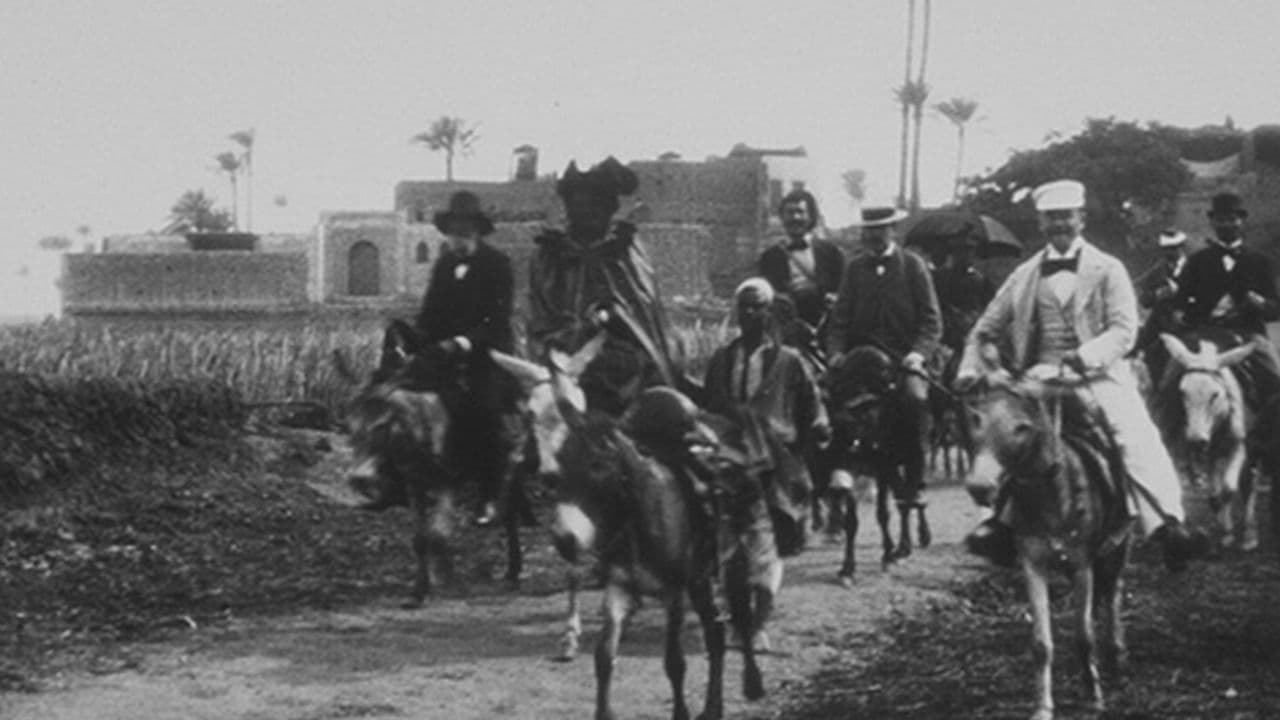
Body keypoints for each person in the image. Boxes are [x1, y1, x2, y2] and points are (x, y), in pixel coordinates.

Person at [956, 179, 1209, 572]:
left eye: (1066, 217)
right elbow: (985, 328)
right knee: (1004, 433)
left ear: (1081, 219)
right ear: (1040, 224)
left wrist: (1085, 356)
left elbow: (1125, 330)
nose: (1059, 225)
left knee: (1133, 435)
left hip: (1099, 374)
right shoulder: (1024, 275)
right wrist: (971, 369)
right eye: (1051, 218)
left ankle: (1166, 523)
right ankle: (997, 526)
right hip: (1040, 375)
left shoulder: (1108, 268)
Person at [528, 156, 682, 414]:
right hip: (564, 373)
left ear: (609, 208)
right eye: (578, 205)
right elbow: (539, 317)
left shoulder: (625, 253)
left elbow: (644, 318)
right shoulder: (549, 257)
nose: (586, 213)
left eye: (594, 205)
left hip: (625, 376)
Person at [413, 190, 524, 526]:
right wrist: (417, 338)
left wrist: (464, 342)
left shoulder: (497, 265)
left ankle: (489, 496)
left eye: (465, 233)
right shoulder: (444, 264)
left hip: (488, 352)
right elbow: (430, 312)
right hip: (447, 351)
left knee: (484, 409)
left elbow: (498, 319)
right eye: (453, 233)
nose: (458, 240)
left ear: (477, 232)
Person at [702, 278, 831, 556]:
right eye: (744, 307)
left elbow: (812, 401)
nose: (749, 313)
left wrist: (817, 426)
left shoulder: (789, 359)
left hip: (775, 446)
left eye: (756, 307)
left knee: (782, 519)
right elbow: (710, 401)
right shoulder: (723, 358)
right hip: (731, 443)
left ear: (768, 312)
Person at [826, 206, 942, 510]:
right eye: (869, 230)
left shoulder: (913, 266)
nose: (874, 236)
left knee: (915, 399)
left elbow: (932, 321)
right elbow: (839, 319)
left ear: (893, 230)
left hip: (904, 359)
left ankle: (915, 483)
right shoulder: (854, 268)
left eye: (881, 229)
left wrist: (918, 354)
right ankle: (839, 473)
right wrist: (836, 354)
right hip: (861, 358)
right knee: (830, 398)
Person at [1171, 193, 1280, 421]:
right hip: (1204, 335)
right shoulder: (1197, 261)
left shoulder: (1260, 261)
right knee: (1168, 379)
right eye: (1221, 220)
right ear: (1212, 223)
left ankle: (1268, 443)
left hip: (1248, 336)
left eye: (1232, 219)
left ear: (1241, 221)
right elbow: (1179, 302)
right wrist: (1182, 316)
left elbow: (1275, 308)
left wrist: (1259, 303)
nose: (1227, 224)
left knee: (1275, 376)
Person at [757, 189, 845, 333]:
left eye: (800, 212)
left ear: (811, 216)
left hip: (824, 328)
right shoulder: (769, 257)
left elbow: (844, 290)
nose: (795, 217)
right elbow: (765, 296)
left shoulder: (831, 253)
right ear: (782, 218)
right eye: (789, 213)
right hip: (786, 329)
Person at [1130, 229, 1190, 390]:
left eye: (1174, 248)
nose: (1170, 252)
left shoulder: (1194, 267)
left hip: (1188, 322)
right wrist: (1157, 295)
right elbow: (1144, 301)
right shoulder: (1158, 271)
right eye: (1166, 249)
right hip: (1161, 323)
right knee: (1145, 351)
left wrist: (1181, 294)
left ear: (1182, 247)